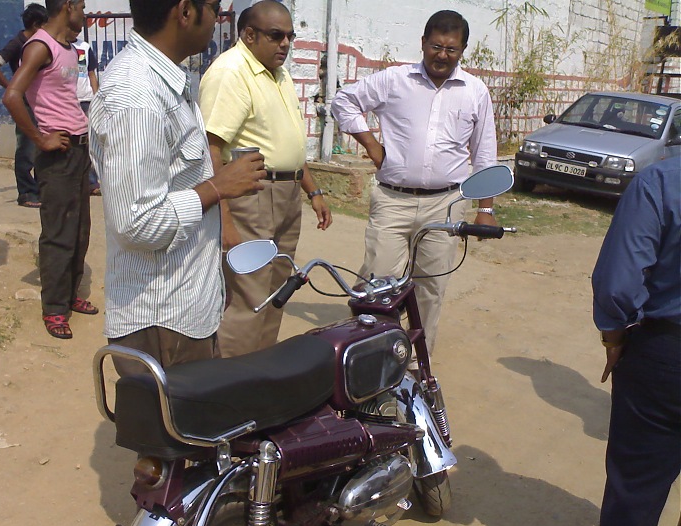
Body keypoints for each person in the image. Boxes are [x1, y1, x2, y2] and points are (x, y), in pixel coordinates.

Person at [88, 0, 266, 374]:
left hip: (184, 308)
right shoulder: (136, 96)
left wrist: (210, 278)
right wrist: (217, 188)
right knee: (170, 430)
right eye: (213, 6)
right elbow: (137, 223)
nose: (218, 17)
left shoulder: (165, 80)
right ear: (185, 12)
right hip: (160, 321)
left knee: (196, 427)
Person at [331, 9, 497, 354]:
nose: (442, 55)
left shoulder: (475, 92)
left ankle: (415, 359)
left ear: (462, 51)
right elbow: (344, 101)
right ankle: (371, 355)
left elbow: (484, 153)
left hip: (446, 203)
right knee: (379, 282)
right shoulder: (395, 80)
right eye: (436, 46)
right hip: (393, 200)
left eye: (451, 49)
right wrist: (372, 144)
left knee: (431, 286)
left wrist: (486, 208)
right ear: (423, 43)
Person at [554, 157, 681, 526]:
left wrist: (613, 336)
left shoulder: (662, 181)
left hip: (666, 355)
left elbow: (617, 283)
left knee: (636, 489)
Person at [198, 0, 332, 358]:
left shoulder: (278, 73)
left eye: (289, 36)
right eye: (276, 36)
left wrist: (313, 190)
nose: (285, 44)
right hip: (252, 197)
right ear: (249, 34)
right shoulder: (232, 72)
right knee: (248, 295)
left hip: (286, 195)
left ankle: (260, 374)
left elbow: (286, 143)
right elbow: (211, 149)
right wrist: (224, 219)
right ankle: (230, 386)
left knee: (277, 291)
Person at [2, 0, 97, 340]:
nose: (85, 13)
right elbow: (13, 95)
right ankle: (55, 308)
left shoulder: (69, 48)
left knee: (80, 229)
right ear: (67, 5)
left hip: (78, 150)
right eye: (82, 6)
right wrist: (40, 139)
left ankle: (70, 295)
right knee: (58, 233)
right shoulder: (40, 46)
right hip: (57, 155)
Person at [0, 3, 47, 209]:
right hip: (24, 104)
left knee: (40, 146)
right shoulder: (18, 43)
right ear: (36, 25)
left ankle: (40, 188)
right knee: (26, 148)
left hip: (38, 102)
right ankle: (27, 192)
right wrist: (11, 88)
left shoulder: (38, 43)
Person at [71, 36, 101, 195]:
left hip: (87, 100)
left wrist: (96, 98)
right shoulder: (57, 46)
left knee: (90, 143)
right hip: (68, 101)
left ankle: (91, 181)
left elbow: (91, 74)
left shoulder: (84, 47)